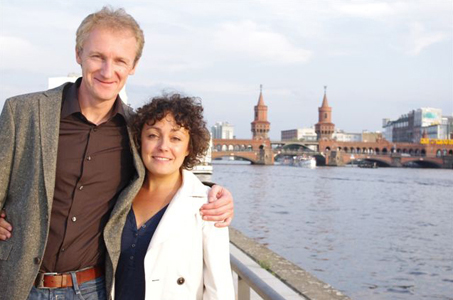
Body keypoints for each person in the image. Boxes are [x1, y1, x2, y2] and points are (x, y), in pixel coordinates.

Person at [0, 6, 234, 300]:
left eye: (120, 60)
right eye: (98, 56)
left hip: (93, 289)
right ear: (78, 54)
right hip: (18, 285)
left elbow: (163, 167)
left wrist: (213, 192)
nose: (107, 71)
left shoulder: (135, 130)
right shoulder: (23, 112)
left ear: (133, 65)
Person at [115, 94, 234, 299]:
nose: (163, 146)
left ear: (189, 147)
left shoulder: (208, 205)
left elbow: (219, 289)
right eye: (153, 135)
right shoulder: (119, 194)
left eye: (176, 138)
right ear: (139, 140)